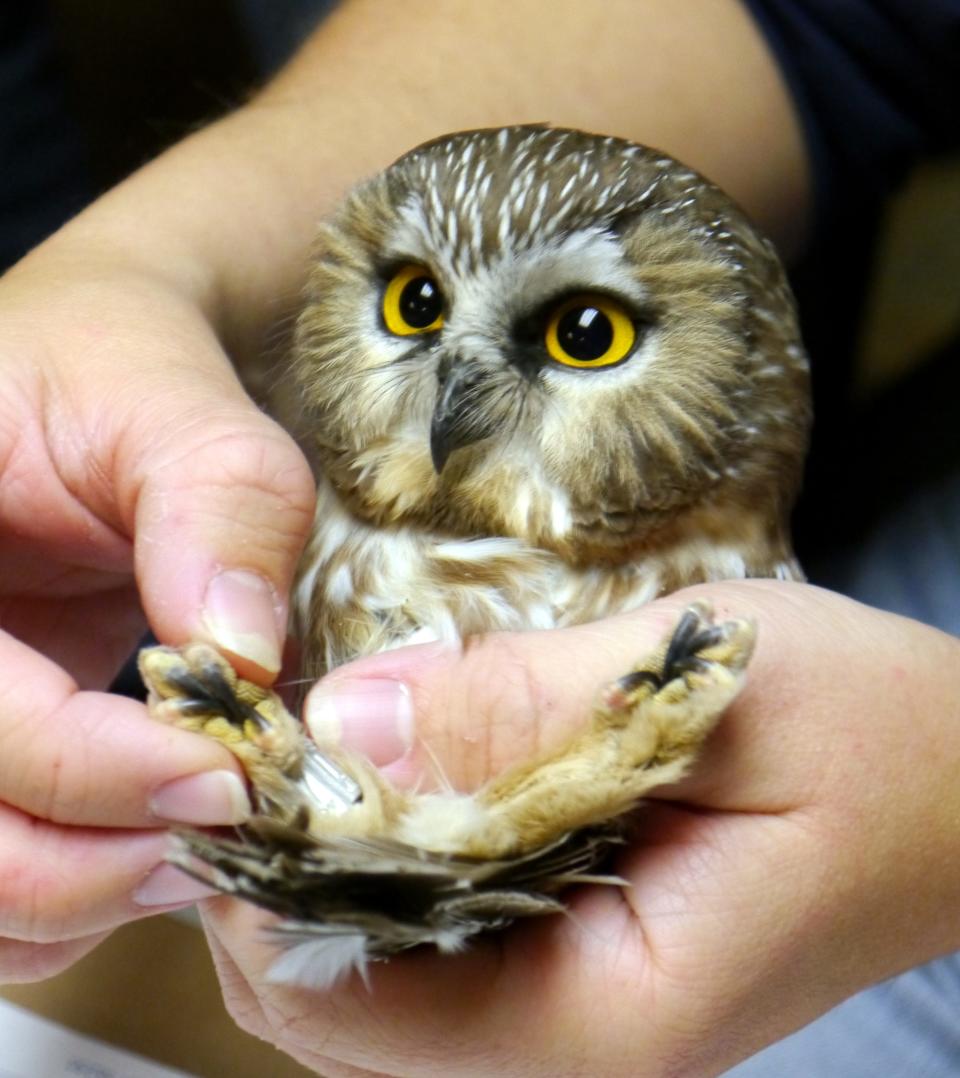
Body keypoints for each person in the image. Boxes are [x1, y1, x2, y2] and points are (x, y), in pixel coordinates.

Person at [0, 1, 958, 1074]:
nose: (455, 391)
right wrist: (139, 266)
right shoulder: (309, 495)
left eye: (581, 333)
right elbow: (826, 20)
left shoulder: (725, 587)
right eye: (414, 305)